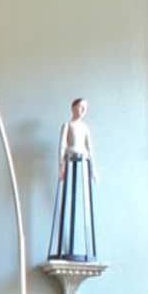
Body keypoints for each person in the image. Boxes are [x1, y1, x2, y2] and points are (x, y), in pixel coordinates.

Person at [48, 98, 98, 261]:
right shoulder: (67, 125)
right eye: (80, 107)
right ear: (73, 107)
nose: (82, 111)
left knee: (85, 202)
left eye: (85, 108)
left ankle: (90, 252)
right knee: (66, 203)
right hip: (70, 157)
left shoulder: (85, 128)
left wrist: (93, 170)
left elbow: (90, 148)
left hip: (83, 159)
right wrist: (60, 165)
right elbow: (62, 146)